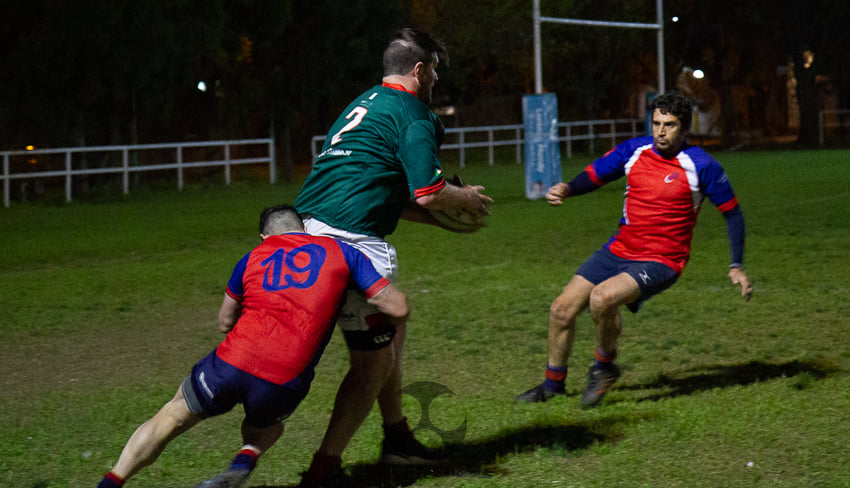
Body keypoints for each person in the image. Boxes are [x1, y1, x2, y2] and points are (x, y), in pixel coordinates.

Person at [294, 27, 492, 486]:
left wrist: (445, 213)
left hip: (301, 233)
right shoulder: (414, 114)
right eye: (435, 71)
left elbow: (383, 192)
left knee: (393, 328)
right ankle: (324, 469)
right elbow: (426, 192)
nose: (437, 81)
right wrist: (462, 199)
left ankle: (398, 438)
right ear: (419, 71)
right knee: (373, 364)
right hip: (349, 246)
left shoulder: (363, 103)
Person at [96, 205, 409, 488]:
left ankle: (112, 482)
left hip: (232, 361)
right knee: (266, 428)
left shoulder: (252, 257)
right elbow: (397, 309)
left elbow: (224, 321)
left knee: (172, 415)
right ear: (303, 228)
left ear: (264, 236)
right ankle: (243, 461)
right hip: (285, 376)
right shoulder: (342, 252)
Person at [516, 92, 754, 408]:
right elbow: (597, 173)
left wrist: (736, 264)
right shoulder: (635, 150)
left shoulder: (702, 165)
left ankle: (604, 368)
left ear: (685, 130)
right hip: (618, 249)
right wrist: (569, 188)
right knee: (561, 310)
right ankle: (553, 385)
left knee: (602, 298)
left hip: (662, 259)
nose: (660, 131)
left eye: (669, 125)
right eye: (656, 123)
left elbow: (733, 213)